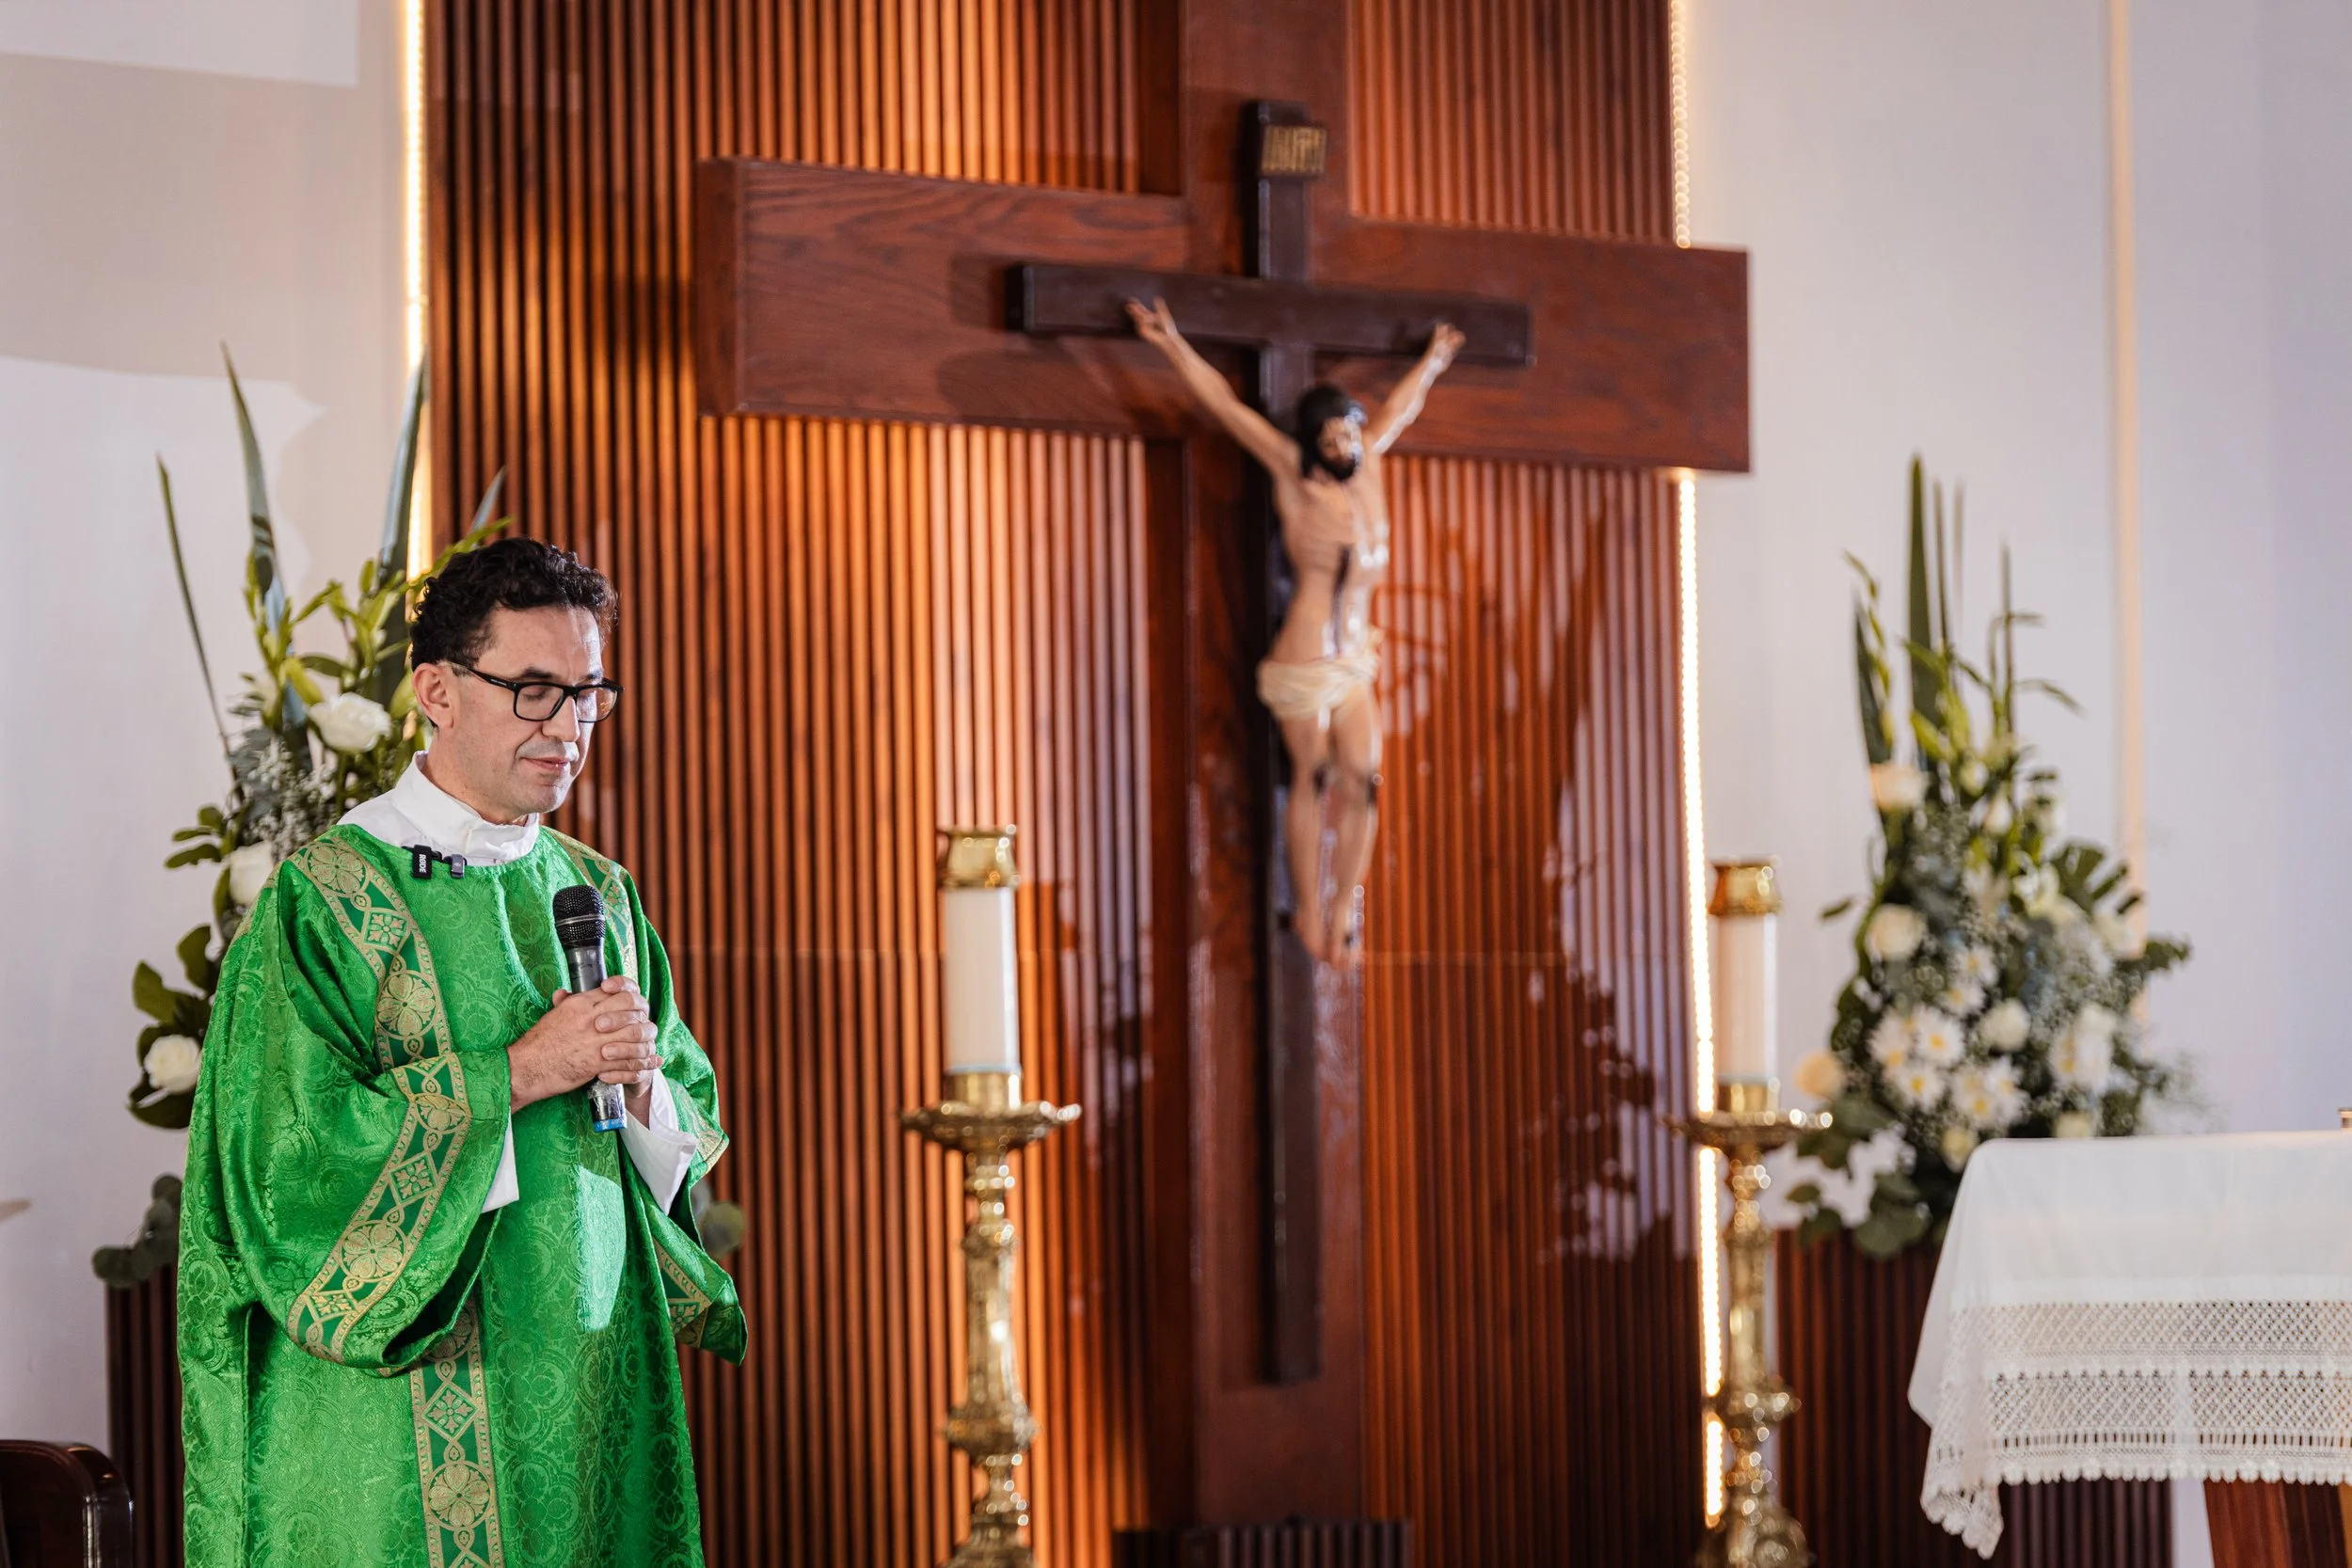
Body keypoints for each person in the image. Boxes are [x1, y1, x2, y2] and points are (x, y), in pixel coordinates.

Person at [178, 537, 742, 1568]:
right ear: (436, 690)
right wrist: (523, 1071)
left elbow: (682, 1130)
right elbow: (284, 1167)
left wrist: (639, 1085)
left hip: (585, 1394)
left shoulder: (599, 893)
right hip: (398, 1415)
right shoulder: (323, 900)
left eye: (588, 693)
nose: (567, 727)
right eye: (534, 691)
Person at [1126, 296, 1464, 967]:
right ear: (1312, 445)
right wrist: (1171, 343)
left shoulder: (1371, 460)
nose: (1343, 448)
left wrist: (1432, 361)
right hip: (1306, 660)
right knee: (1311, 776)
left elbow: (1402, 407)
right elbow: (1226, 408)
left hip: (1355, 656)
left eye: (1347, 436)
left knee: (1364, 778)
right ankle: (1310, 906)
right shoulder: (1293, 475)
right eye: (1330, 441)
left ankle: (1345, 908)